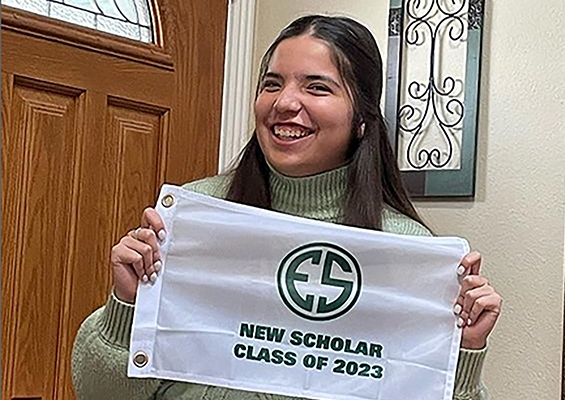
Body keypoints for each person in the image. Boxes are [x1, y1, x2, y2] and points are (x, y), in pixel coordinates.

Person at [72, 15, 502, 400]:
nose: (284, 103)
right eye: (272, 84)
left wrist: (464, 351)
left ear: (362, 118)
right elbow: (98, 391)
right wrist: (128, 304)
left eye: (317, 87)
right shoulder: (194, 217)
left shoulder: (407, 249)